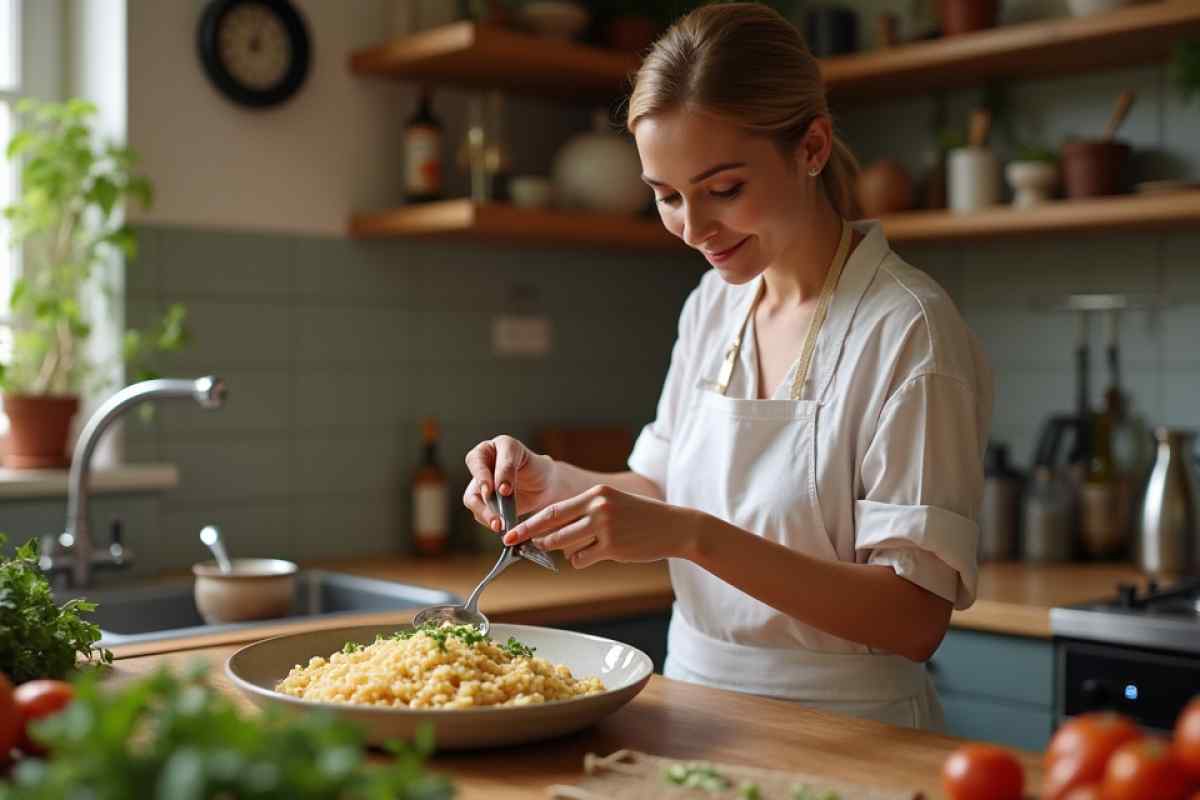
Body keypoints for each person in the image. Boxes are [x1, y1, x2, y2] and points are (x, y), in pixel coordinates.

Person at [462, 3, 993, 731]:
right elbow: (661, 487)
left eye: (724, 189)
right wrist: (549, 482)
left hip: (854, 732)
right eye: (667, 197)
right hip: (693, 706)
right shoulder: (715, 304)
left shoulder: (908, 331)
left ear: (811, 147)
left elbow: (914, 618)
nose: (694, 228)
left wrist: (692, 536)